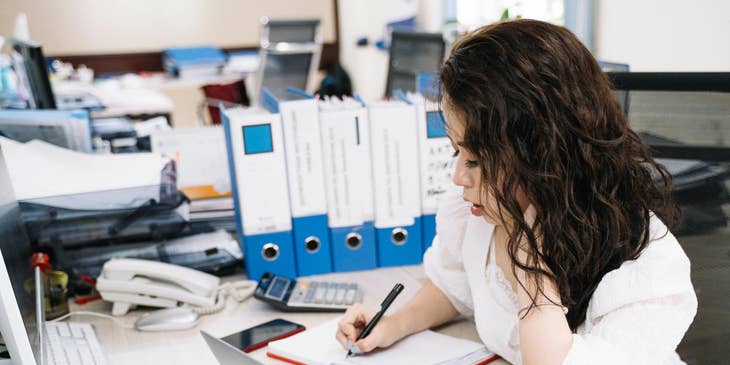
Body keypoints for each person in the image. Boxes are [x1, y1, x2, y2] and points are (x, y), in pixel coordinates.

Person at [336, 19, 697, 364]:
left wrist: (533, 271)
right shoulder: (482, 216)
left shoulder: (646, 272)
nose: (458, 177)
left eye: (476, 161)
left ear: (543, 158)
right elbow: (457, 288)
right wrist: (393, 324)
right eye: (455, 151)